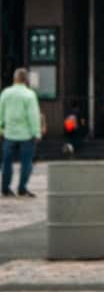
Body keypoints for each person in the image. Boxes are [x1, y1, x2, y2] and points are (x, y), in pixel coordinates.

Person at [0, 68, 44, 197]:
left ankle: (5, 188)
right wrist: (37, 133)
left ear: (14, 78)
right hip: (26, 135)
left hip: (9, 133)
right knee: (26, 162)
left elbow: (1, 112)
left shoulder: (5, 93)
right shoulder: (29, 95)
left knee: (6, 162)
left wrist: (1, 128)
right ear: (26, 80)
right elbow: (33, 116)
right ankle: (22, 188)